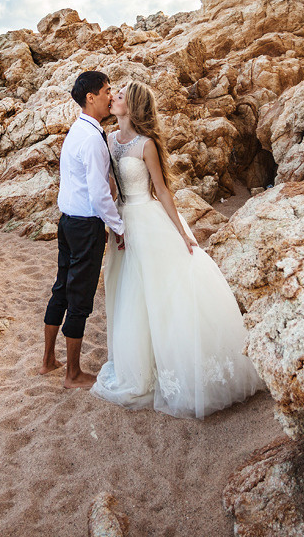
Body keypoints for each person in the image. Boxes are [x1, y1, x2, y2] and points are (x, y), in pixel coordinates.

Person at [91, 80, 264, 418]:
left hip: (148, 221)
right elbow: (105, 185)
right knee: (127, 293)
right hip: (123, 222)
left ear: (133, 106)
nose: (113, 98)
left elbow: (162, 191)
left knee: (160, 293)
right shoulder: (109, 139)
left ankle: (168, 365)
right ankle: (138, 363)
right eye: (114, 94)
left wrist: (181, 233)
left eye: (120, 96)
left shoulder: (147, 145)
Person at [38, 70, 126, 389]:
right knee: (80, 299)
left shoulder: (79, 129)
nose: (110, 95)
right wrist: (118, 227)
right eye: (106, 90)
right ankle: (72, 374)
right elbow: (98, 193)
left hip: (68, 222)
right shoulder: (91, 137)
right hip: (86, 225)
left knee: (61, 288)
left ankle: (48, 360)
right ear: (91, 97)